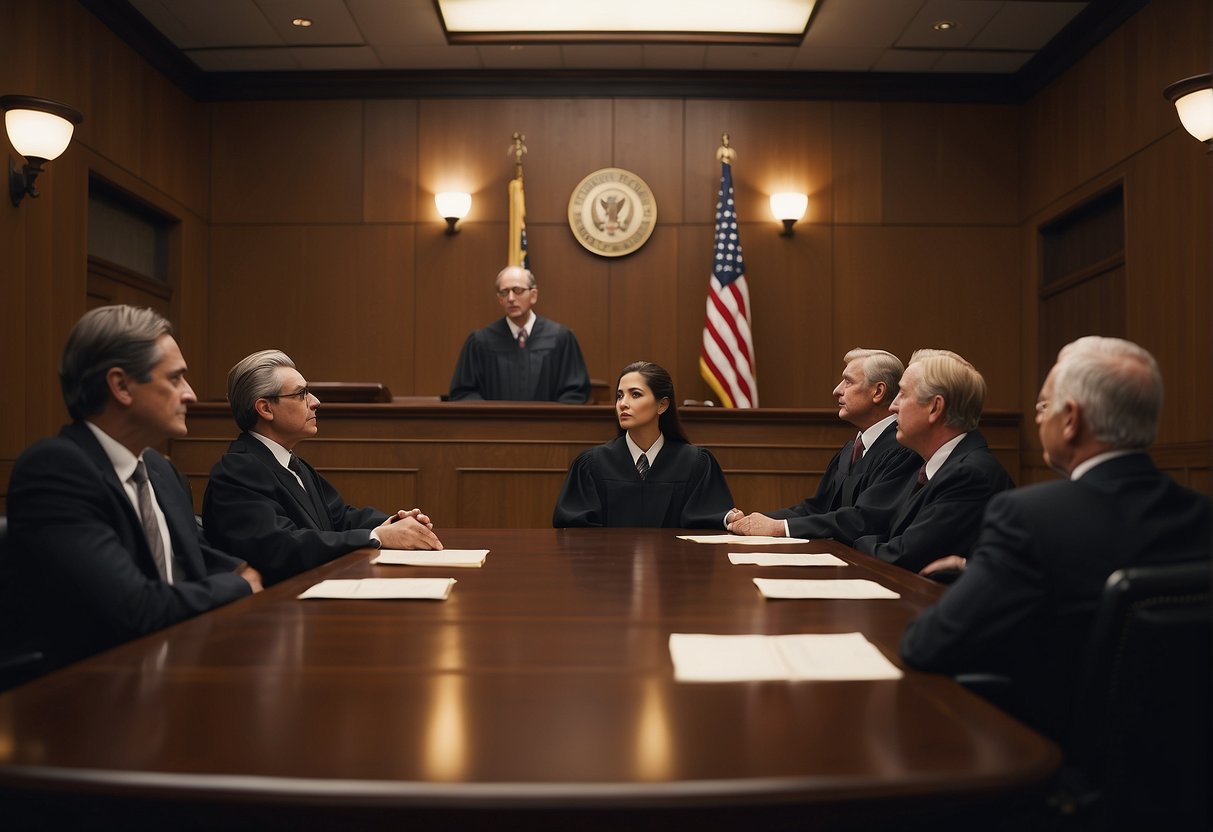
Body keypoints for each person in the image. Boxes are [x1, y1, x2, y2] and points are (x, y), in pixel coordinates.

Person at [901, 336, 1211, 744]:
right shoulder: (1201, 514)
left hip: (1051, 761)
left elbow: (927, 647)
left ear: (1071, 420)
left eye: (1044, 405)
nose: (1038, 417)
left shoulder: (1028, 517)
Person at [2, 305, 262, 675]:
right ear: (121, 385)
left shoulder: (159, 469)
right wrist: (239, 586)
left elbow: (189, 558)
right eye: (175, 379)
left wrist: (244, 569)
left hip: (175, 664)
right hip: (88, 694)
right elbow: (134, 608)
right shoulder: (55, 470)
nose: (190, 395)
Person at [202, 350, 444, 586]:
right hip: (273, 610)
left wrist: (394, 523)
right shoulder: (237, 469)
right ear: (265, 408)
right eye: (301, 394)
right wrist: (377, 537)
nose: (316, 402)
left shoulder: (293, 463)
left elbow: (339, 518)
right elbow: (281, 546)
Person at [725, 348, 920, 537]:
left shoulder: (902, 451)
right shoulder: (851, 450)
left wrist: (779, 528)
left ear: (878, 391)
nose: (837, 391)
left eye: (848, 382)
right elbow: (817, 508)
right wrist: (757, 521)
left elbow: (866, 520)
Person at [553, 361, 733, 528]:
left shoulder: (695, 464)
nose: (623, 404)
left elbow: (708, 521)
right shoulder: (592, 464)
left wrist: (729, 519)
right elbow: (574, 528)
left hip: (672, 562)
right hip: (609, 562)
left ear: (662, 405)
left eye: (635, 394)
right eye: (619, 396)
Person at [449, 265, 591, 403]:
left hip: (548, 425)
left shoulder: (560, 338)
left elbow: (575, 392)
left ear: (533, 295)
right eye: (504, 292)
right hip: (495, 425)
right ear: (499, 299)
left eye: (517, 290)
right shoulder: (480, 341)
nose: (510, 298)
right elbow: (463, 393)